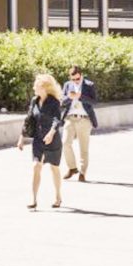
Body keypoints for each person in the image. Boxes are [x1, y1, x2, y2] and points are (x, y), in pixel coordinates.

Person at [16, 74, 66, 209]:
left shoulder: (54, 102)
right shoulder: (34, 101)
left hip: (52, 139)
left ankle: (58, 196)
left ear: (44, 87)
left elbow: (57, 120)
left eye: (36, 85)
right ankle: (33, 199)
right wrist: (22, 137)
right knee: (35, 166)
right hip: (38, 139)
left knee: (54, 168)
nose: (34, 87)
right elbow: (29, 119)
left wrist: (51, 133)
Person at [62, 65, 98, 182]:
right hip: (70, 118)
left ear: (81, 75)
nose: (75, 81)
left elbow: (94, 101)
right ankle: (72, 168)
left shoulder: (89, 85)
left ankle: (82, 172)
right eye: (73, 79)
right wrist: (70, 97)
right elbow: (62, 102)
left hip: (84, 119)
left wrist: (80, 97)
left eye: (77, 79)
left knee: (83, 148)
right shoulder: (67, 85)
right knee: (65, 143)